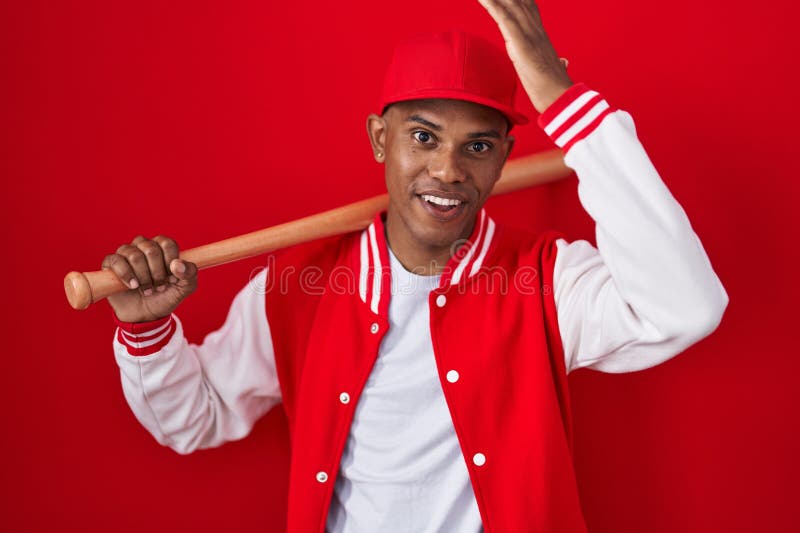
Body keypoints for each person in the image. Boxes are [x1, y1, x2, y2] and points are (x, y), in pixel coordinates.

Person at [101, 1, 729, 531]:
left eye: (477, 146)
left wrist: (563, 105)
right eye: (423, 137)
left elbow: (686, 308)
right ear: (381, 138)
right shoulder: (295, 287)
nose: (448, 170)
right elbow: (196, 418)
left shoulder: (551, 282)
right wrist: (146, 330)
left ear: (504, 157)